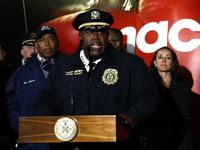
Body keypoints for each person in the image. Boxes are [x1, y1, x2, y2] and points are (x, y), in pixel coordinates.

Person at [33, 9, 161, 150]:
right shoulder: (62, 67)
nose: (95, 37)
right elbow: (45, 100)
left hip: (116, 145)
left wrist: (133, 116)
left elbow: (149, 95)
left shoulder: (130, 64)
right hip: (69, 146)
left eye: (100, 31)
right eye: (88, 32)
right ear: (80, 35)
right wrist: (46, 120)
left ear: (107, 34)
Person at [5, 26, 65, 150]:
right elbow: (12, 104)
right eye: (42, 39)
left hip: (64, 139)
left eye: (51, 39)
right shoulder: (20, 73)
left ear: (58, 43)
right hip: (31, 142)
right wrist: (20, 126)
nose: (47, 43)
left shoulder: (70, 68)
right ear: (36, 45)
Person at [138, 46, 193, 150]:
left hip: (179, 140)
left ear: (173, 63)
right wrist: (172, 118)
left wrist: (171, 129)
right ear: (154, 62)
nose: (163, 60)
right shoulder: (145, 84)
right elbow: (145, 115)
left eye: (168, 57)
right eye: (160, 57)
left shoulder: (183, 84)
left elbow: (185, 117)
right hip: (152, 140)